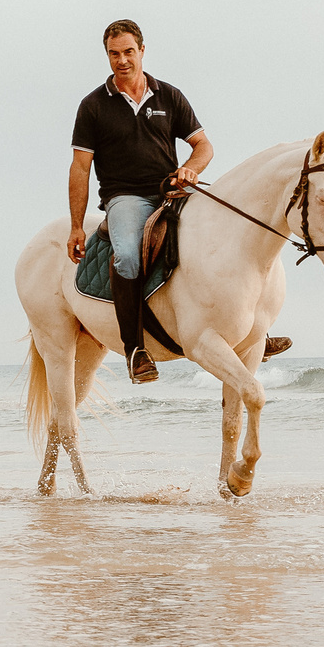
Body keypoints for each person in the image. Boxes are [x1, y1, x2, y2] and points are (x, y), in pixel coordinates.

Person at [67, 19, 288, 384]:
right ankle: (135, 349)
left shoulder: (168, 95)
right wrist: (77, 225)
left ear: (141, 50)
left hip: (172, 191)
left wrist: (189, 169)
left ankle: (253, 330)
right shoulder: (93, 106)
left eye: (128, 52)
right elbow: (80, 168)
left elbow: (203, 146)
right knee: (125, 254)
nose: (121, 60)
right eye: (113, 54)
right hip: (126, 197)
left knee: (228, 236)